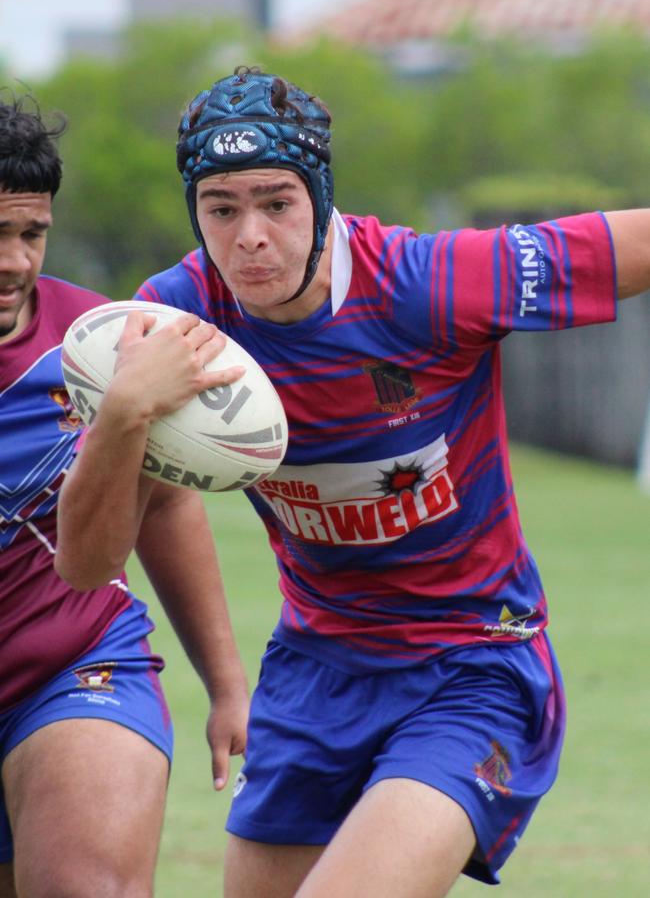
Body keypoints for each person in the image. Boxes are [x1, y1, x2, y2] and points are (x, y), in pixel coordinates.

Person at [55, 65, 650, 898]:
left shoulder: (428, 284)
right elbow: (84, 567)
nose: (250, 235)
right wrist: (120, 414)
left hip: (473, 664)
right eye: (221, 208)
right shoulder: (170, 326)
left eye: (276, 202)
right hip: (315, 672)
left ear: (320, 197)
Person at [0, 91, 248, 898]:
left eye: (31, 233)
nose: (15, 262)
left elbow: (166, 503)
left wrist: (226, 684)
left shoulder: (103, 344)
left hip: (72, 666)